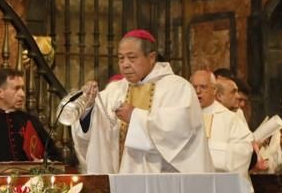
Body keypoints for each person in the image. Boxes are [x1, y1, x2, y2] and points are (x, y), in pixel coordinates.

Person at [60, 29, 211, 174]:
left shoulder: (177, 88)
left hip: (161, 180)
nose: (125, 64)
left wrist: (135, 116)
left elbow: (179, 132)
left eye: (132, 58)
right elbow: (94, 135)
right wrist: (89, 107)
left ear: (151, 58)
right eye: (121, 58)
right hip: (120, 179)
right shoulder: (115, 90)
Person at [192, 70, 260, 193]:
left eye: (203, 87)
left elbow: (244, 152)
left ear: (214, 90)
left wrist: (209, 151)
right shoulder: (184, 117)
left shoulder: (230, 118)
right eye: (194, 87)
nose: (198, 91)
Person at [0, 68, 60, 164]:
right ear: (0, 92)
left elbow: (55, 156)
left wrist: (42, 162)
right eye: (16, 88)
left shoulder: (31, 121)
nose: (22, 94)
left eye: (22, 88)